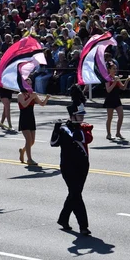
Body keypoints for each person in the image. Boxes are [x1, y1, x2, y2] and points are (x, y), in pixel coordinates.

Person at [51, 93, 94, 235]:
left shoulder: (84, 128)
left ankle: (63, 218)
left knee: (74, 193)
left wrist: (75, 128)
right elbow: (53, 144)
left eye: (82, 115)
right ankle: (83, 226)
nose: (82, 118)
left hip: (82, 166)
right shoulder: (64, 129)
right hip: (68, 167)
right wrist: (56, 129)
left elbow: (85, 138)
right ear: (72, 116)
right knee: (76, 194)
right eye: (79, 115)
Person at [18, 78, 50, 165]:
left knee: (32, 141)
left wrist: (46, 98)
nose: (30, 85)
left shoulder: (33, 94)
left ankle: (23, 150)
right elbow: (24, 105)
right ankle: (29, 159)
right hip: (24, 118)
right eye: (28, 84)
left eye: (31, 84)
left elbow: (42, 104)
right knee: (28, 139)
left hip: (31, 118)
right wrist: (31, 97)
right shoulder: (20, 95)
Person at [104, 61, 130, 140]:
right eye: (113, 69)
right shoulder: (107, 78)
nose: (115, 70)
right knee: (110, 118)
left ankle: (118, 133)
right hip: (110, 99)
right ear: (109, 70)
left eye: (116, 69)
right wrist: (114, 82)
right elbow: (108, 90)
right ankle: (108, 134)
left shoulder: (116, 77)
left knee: (121, 115)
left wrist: (127, 81)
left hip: (116, 99)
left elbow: (123, 88)